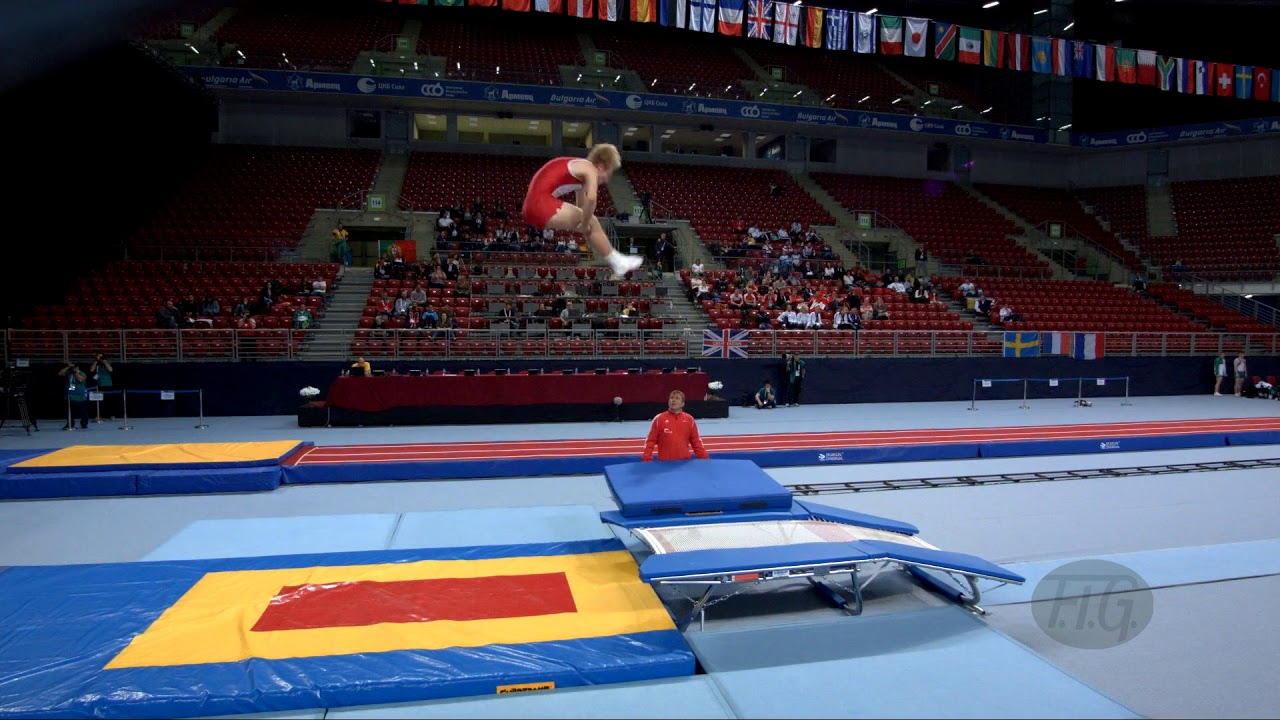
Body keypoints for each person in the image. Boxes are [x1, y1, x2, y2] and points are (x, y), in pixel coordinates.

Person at [522, 143, 643, 280]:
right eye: (608, 174)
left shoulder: (580, 172)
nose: (606, 180)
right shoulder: (589, 168)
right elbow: (591, 199)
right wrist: (585, 225)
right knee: (591, 221)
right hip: (539, 203)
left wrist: (586, 228)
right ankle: (618, 262)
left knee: (590, 221)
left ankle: (617, 261)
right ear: (600, 167)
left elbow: (581, 207)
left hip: (532, 206)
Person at [641, 390, 709, 462]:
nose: (673, 400)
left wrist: (705, 460)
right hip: (665, 463)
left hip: (684, 463)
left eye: (677, 398)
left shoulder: (689, 420)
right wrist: (646, 459)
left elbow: (696, 442)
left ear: (682, 404)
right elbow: (650, 441)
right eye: (671, 398)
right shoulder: (659, 419)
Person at [58, 362, 90, 430]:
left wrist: (75, 372)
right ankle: (70, 424)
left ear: (78, 368)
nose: (73, 368)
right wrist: (68, 367)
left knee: (83, 411)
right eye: (72, 367)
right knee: (70, 411)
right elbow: (60, 373)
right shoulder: (69, 373)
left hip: (80, 395)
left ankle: (84, 423)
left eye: (75, 367)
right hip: (70, 395)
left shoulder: (82, 373)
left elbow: (80, 380)